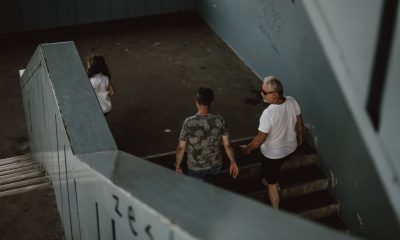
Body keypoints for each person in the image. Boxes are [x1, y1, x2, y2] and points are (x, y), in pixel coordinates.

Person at [240, 76, 304, 209]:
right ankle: (271, 177)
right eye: (262, 91)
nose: (262, 94)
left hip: (272, 156)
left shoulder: (268, 114)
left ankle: (275, 210)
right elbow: (299, 122)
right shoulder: (292, 101)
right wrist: (300, 136)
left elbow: (260, 139)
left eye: (265, 92)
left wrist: (247, 148)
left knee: (272, 182)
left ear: (275, 94)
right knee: (274, 168)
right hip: (290, 150)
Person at [175, 87, 239, 181]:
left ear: (196, 101)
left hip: (195, 167)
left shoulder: (188, 122)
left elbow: (181, 148)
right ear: (212, 102)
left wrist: (177, 165)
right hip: (215, 166)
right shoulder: (219, 120)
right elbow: (228, 145)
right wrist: (233, 162)